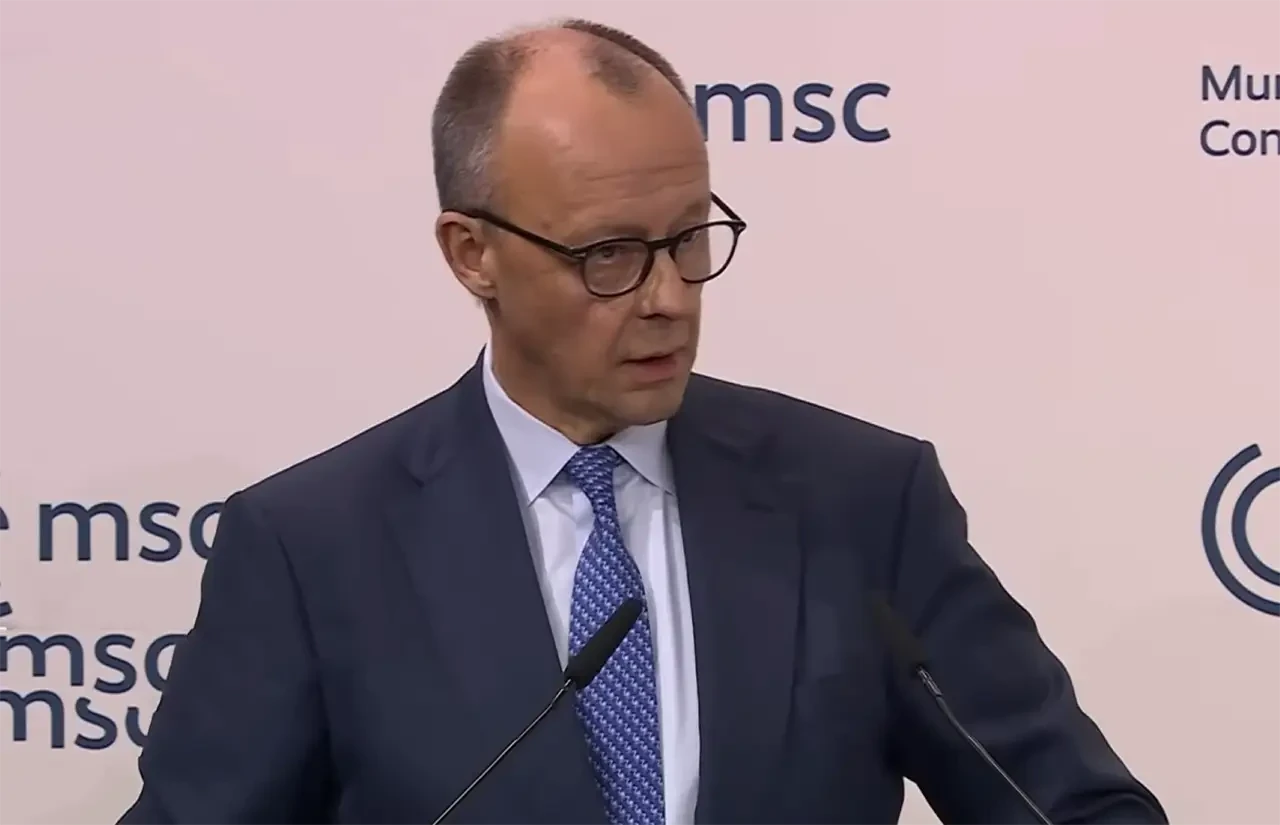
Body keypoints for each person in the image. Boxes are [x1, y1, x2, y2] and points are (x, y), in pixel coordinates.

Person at [118, 18, 1167, 825]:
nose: (669, 297)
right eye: (608, 254)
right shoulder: (312, 549)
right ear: (471, 254)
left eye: (688, 238)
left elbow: (1073, 807)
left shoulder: (859, 502)